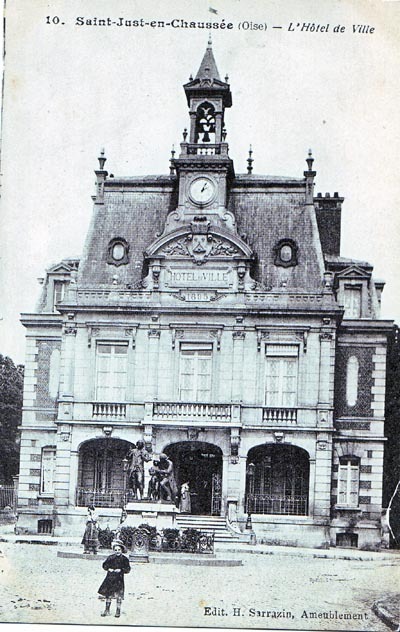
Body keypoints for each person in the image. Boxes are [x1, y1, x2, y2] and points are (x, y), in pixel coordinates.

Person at [98, 539, 131, 618]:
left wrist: (121, 570)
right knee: (108, 595)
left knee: (118, 596)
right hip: (110, 579)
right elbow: (104, 565)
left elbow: (128, 569)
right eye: (116, 550)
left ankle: (118, 611)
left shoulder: (125, 559)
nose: (117, 551)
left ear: (122, 550)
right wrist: (108, 569)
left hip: (119, 579)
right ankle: (107, 610)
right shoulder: (110, 558)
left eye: (119, 550)